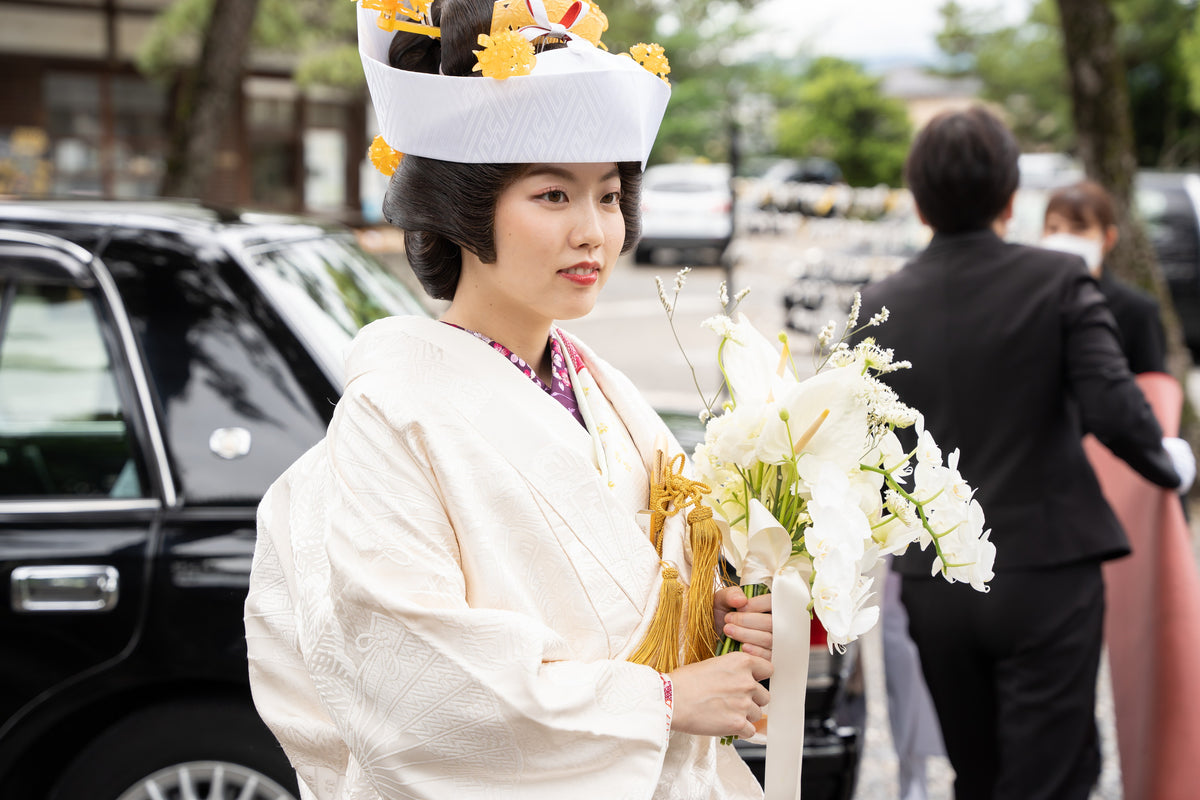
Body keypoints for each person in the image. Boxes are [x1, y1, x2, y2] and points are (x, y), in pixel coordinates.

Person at [242, 0, 774, 798]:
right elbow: (418, 691)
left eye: (606, 195)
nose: (594, 232)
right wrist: (658, 702)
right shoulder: (393, 414)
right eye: (553, 196)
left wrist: (730, 619)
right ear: (461, 212)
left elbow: (650, 600)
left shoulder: (604, 392)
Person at [857, 107, 1183, 800]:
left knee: (978, 773)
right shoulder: (1058, 283)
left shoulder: (879, 304)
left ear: (917, 202)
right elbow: (1113, 405)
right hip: (1047, 572)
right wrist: (1170, 464)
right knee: (1052, 776)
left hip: (935, 577)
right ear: (1012, 199)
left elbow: (864, 449)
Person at [1040, 179, 1167, 374]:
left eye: (1079, 228)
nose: (1063, 238)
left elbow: (1152, 389)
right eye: (1053, 229)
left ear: (1108, 238)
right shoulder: (1030, 303)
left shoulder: (1137, 311)